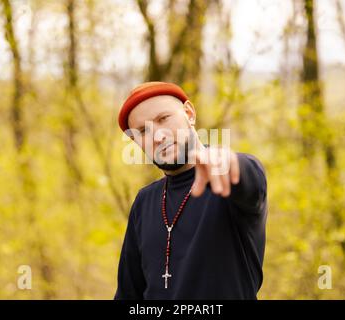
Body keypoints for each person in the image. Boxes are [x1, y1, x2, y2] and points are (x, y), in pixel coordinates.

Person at [114, 81, 267, 299]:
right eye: (143, 131)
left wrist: (227, 162)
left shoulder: (227, 183)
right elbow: (128, 294)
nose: (158, 137)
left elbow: (248, 177)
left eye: (163, 119)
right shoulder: (144, 202)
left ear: (189, 113)